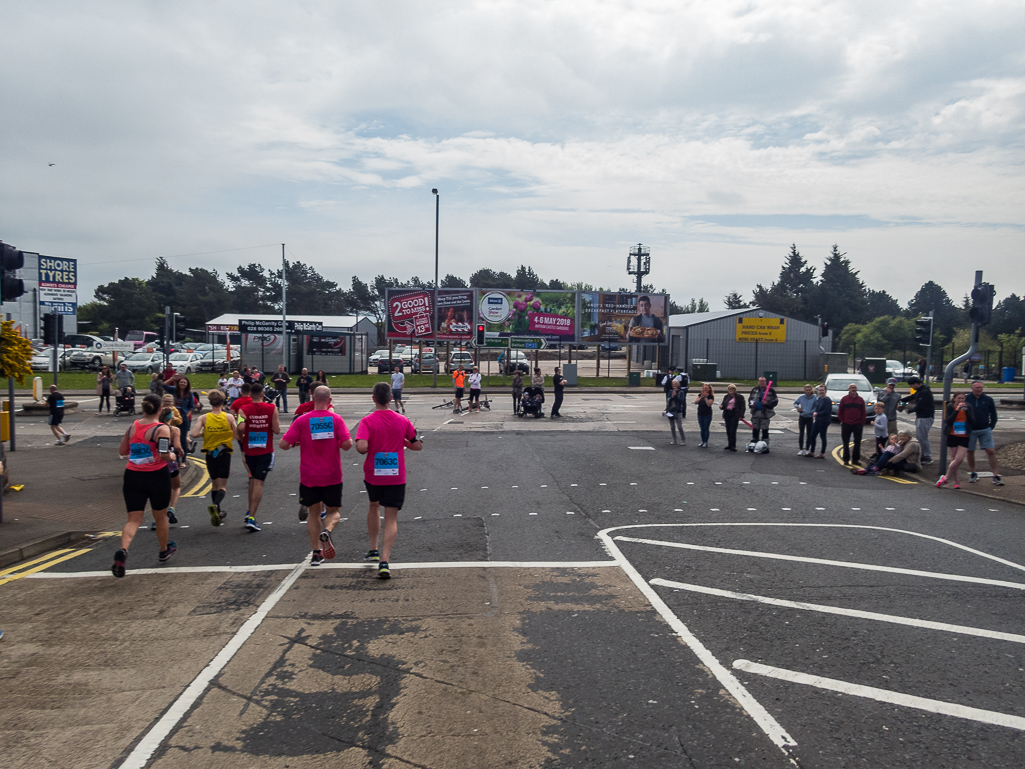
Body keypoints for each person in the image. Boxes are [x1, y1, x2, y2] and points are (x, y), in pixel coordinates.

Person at [279, 385, 353, 565]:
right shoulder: (336, 419)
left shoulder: (302, 420)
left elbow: (283, 444)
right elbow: (348, 444)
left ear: (311, 399)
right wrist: (337, 443)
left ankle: (316, 553)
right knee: (334, 512)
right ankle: (327, 531)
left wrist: (295, 443)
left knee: (313, 513)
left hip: (309, 475)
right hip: (332, 474)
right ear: (329, 401)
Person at [355, 382, 422, 579]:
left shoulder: (367, 421)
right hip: (396, 475)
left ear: (373, 398)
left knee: (374, 505)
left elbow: (361, 447)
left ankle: (373, 548)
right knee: (391, 517)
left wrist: (369, 445)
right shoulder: (403, 420)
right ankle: (385, 560)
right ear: (391, 398)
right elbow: (417, 445)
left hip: (374, 474)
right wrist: (402, 441)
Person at [112, 393, 175, 578]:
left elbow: (123, 451)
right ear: (159, 409)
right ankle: (164, 550)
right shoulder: (162, 429)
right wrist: (172, 456)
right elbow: (164, 454)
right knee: (161, 516)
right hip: (156, 475)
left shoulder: (133, 426)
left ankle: (123, 551)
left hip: (132, 476)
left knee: (133, 520)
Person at [191, 389, 239, 526]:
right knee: (222, 486)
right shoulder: (229, 417)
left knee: (214, 484)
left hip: (210, 453)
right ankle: (216, 505)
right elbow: (237, 436)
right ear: (223, 402)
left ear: (210, 402)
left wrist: (204, 433)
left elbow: (194, 434)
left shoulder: (204, 418)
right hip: (224, 453)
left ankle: (217, 511)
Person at [237, 383, 280, 532]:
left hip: (249, 450)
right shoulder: (271, 408)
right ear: (262, 394)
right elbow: (277, 430)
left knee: (252, 480)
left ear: (250, 394)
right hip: (265, 450)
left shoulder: (243, 409)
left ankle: (250, 511)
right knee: (259, 483)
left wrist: (249, 424)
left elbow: (240, 427)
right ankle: (252, 517)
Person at [964, 380, 1004, 486]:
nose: (979, 389)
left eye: (981, 387)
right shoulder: (967, 399)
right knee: (970, 451)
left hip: (985, 429)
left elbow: (993, 415)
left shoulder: (988, 400)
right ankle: (973, 472)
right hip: (971, 430)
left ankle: (995, 474)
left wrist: (991, 426)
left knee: (990, 451)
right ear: (972, 388)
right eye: (977, 387)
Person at [937, 393, 972, 489]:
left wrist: (967, 411)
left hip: (964, 436)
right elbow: (948, 420)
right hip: (952, 435)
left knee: (959, 459)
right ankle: (957, 481)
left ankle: (945, 477)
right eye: (959, 398)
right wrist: (957, 410)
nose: (961, 400)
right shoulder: (950, 407)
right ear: (955, 399)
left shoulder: (968, 407)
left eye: (963, 398)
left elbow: (973, 421)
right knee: (954, 458)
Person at [900, 376, 935, 464]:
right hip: (923, 417)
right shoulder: (921, 390)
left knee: (922, 438)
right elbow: (913, 397)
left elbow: (920, 405)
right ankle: (924, 455)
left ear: (916, 384)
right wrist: (901, 400)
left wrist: (910, 410)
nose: (911, 387)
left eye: (911, 385)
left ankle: (927, 457)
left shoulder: (924, 392)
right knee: (921, 437)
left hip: (925, 417)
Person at [837, 383, 866, 465]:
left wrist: (862, 422)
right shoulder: (844, 399)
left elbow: (863, 412)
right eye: (851, 388)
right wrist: (842, 420)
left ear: (856, 389)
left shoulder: (860, 400)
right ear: (848, 389)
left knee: (857, 442)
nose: (853, 389)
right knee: (845, 442)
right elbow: (840, 411)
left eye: (855, 388)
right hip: (846, 424)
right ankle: (846, 459)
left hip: (858, 424)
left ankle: (855, 460)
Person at [747, 377, 778, 448]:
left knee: (765, 429)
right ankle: (754, 442)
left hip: (765, 413)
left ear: (766, 382)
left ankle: (765, 444)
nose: (762, 382)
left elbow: (775, 401)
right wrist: (751, 405)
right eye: (760, 381)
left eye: (763, 381)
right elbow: (750, 399)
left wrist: (767, 403)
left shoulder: (771, 390)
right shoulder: (754, 390)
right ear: (758, 382)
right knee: (755, 428)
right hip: (755, 412)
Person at [807, 384, 832, 459]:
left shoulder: (827, 400)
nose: (821, 392)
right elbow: (816, 407)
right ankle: (812, 452)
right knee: (812, 435)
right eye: (820, 390)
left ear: (825, 391)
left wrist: (817, 413)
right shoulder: (820, 399)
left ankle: (822, 453)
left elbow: (826, 411)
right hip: (818, 420)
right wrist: (815, 412)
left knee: (823, 436)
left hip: (824, 420)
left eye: (822, 390)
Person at [719, 384, 745, 451]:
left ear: (735, 390)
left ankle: (733, 445)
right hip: (727, 414)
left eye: (732, 389)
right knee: (728, 430)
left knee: (732, 430)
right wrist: (721, 407)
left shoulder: (739, 397)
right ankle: (729, 444)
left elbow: (742, 407)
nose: (731, 391)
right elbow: (724, 405)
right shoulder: (726, 397)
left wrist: (741, 415)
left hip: (734, 414)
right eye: (730, 389)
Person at [793, 384, 817, 456]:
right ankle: (801, 449)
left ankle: (807, 449)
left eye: (809, 390)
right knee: (801, 433)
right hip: (802, 417)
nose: (808, 392)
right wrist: (797, 407)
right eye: (806, 390)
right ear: (804, 390)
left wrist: (811, 412)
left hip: (809, 417)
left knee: (809, 434)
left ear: (811, 390)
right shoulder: (801, 397)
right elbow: (795, 403)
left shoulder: (814, 398)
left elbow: (816, 407)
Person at [173, 376, 195, 448]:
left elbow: (192, 406)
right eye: (181, 382)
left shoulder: (189, 394)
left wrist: (187, 415)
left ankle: (186, 449)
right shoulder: (174, 392)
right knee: (176, 434)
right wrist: (171, 379)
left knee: (183, 435)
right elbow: (164, 385)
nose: (182, 383)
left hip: (184, 417)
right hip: (173, 417)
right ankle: (189, 443)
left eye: (184, 382)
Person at [665, 379, 686, 445]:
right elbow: (668, 400)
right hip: (671, 410)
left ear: (678, 385)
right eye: (673, 384)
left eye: (676, 384)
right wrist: (672, 397)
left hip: (678, 410)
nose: (674, 386)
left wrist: (675, 396)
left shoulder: (681, 392)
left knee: (679, 426)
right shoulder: (670, 391)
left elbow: (681, 401)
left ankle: (683, 440)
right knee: (672, 426)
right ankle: (674, 439)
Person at [694, 383, 715, 447]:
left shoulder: (711, 396)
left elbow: (709, 404)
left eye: (707, 388)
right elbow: (696, 402)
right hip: (700, 413)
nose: (705, 389)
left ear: (709, 389)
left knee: (706, 427)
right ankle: (702, 441)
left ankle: (706, 441)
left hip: (707, 414)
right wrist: (701, 397)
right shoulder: (700, 395)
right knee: (702, 428)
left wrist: (705, 397)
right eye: (704, 388)